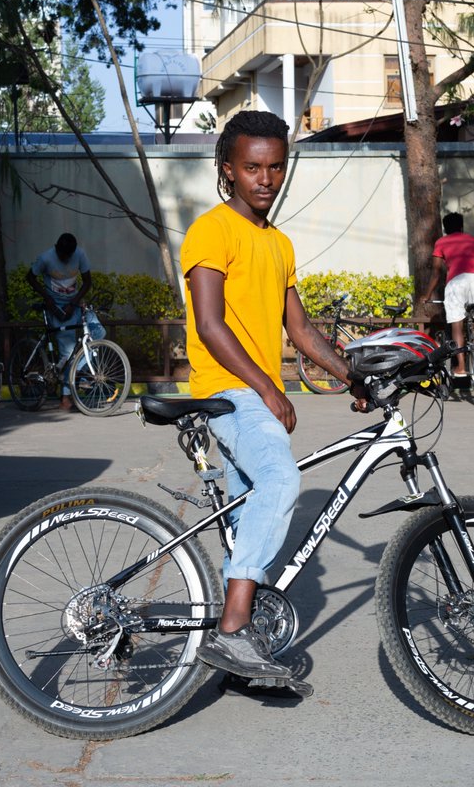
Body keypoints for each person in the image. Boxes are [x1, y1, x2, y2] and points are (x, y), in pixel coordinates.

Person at [184, 110, 367, 693]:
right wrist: (267, 387)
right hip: (228, 390)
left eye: (275, 167)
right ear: (228, 170)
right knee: (282, 483)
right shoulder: (212, 230)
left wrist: (355, 376)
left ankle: (235, 653)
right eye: (251, 167)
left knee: (246, 524)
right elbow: (211, 325)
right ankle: (233, 630)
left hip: (252, 394)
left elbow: (304, 332)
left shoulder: (280, 244)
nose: (265, 179)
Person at [26, 232, 91, 411]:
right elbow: (30, 277)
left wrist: (74, 302)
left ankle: (80, 377)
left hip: (74, 303)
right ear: (56, 249)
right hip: (55, 305)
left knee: (98, 333)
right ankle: (65, 396)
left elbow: (87, 282)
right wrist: (48, 299)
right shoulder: (46, 258)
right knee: (67, 351)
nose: (65, 259)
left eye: (68, 256)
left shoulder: (80, 254)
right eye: (62, 255)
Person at [423, 211, 474, 379]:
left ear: (445, 228)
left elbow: (436, 273)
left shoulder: (441, 242)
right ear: (461, 226)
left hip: (457, 282)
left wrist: (427, 295)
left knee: (457, 325)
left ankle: (461, 368)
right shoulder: (473, 240)